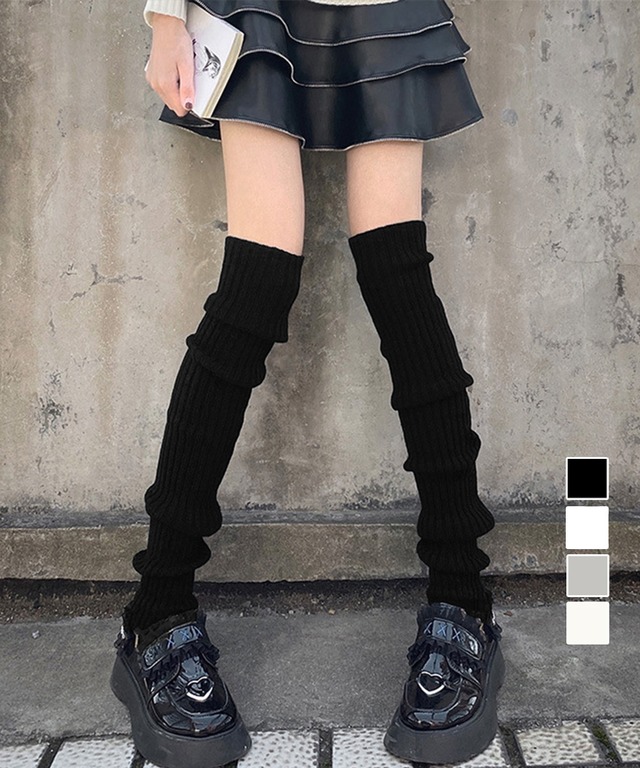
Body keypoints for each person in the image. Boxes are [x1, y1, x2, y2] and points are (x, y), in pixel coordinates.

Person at [110, 1, 505, 766]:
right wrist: (164, 17)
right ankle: (157, 611)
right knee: (257, 281)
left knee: (398, 279)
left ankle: (463, 602)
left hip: (384, 9)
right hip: (255, 11)